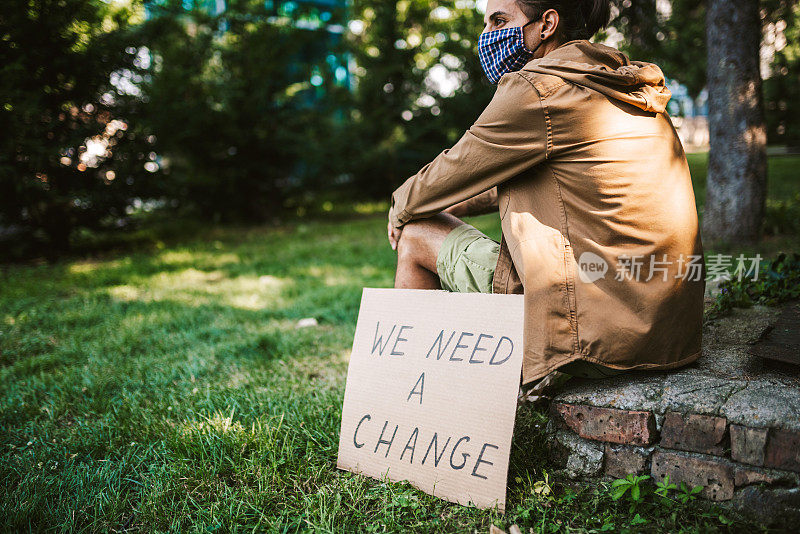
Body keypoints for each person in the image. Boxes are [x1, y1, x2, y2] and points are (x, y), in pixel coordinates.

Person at [386, 0, 705, 395]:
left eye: (500, 21)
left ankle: (413, 402)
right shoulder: (614, 82)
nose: (487, 35)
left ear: (547, 24)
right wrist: (456, 203)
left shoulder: (537, 88)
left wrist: (401, 207)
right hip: (665, 329)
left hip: (597, 336)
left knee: (416, 234)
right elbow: (540, 172)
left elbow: (456, 166)